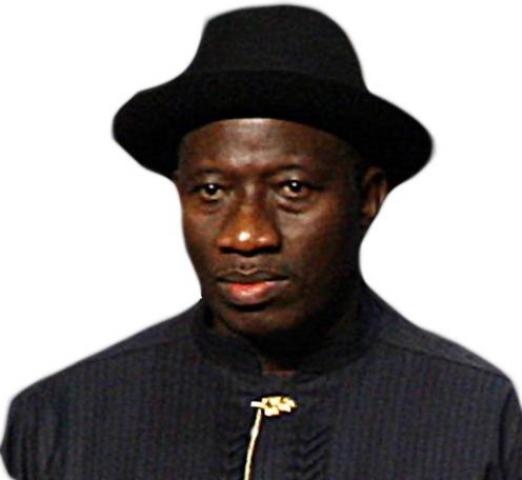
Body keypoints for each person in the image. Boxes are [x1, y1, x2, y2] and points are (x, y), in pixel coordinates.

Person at [1, 5, 521, 479]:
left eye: (292, 189)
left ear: (367, 197)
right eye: (211, 191)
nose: (246, 235)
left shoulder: (474, 414)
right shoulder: (63, 420)